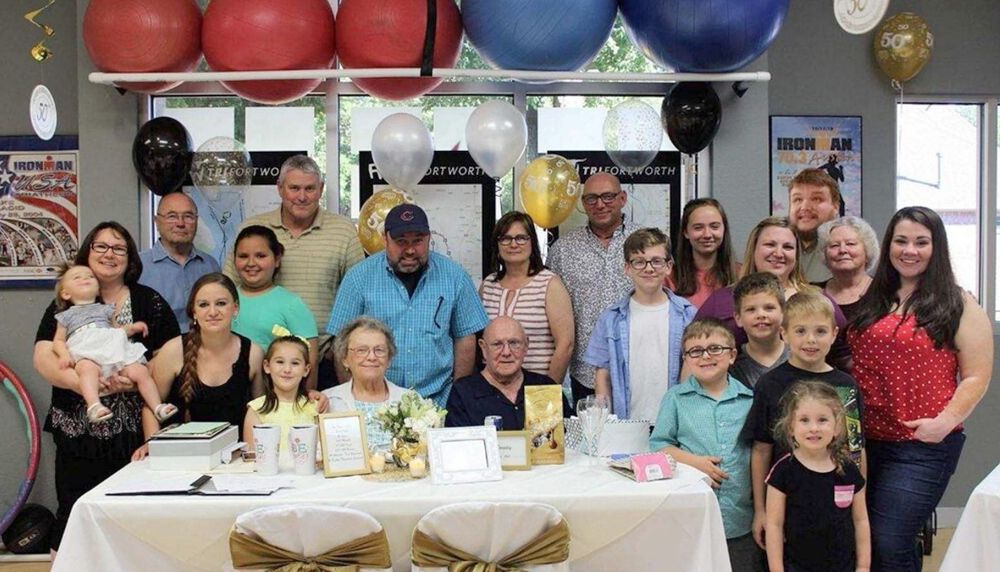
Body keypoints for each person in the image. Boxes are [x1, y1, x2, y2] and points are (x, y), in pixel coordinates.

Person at [848, 206, 993, 572]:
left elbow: (976, 376)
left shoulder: (958, 303)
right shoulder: (874, 298)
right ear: (888, 246)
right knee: (866, 540)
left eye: (921, 242)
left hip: (920, 447)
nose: (909, 250)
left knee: (889, 539)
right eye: (901, 241)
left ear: (936, 247)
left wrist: (945, 422)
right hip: (864, 443)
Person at [32, 221, 180, 553]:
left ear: (130, 258)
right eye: (101, 246)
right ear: (87, 252)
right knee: (75, 515)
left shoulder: (149, 301)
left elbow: (171, 355)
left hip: (135, 436)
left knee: (135, 525)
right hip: (79, 434)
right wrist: (92, 386)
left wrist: (137, 380)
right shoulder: (66, 305)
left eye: (119, 248)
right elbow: (44, 357)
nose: (109, 254)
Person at [326, 204, 488, 406]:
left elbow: (465, 338)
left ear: (429, 238)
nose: (410, 250)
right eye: (401, 241)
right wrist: (355, 401)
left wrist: (457, 398)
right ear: (385, 239)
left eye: (418, 241)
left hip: (438, 401)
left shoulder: (455, 277)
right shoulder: (358, 278)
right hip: (375, 405)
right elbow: (342, 343)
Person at [742, 290, 866, 553]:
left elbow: (856, 448)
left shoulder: (846, 386)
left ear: (834, 334)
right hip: (786, 502)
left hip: (836, 502)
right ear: (784, 334)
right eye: (800, 331)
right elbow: (761, 449)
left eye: (820, 331)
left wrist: (860, 501)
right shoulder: (770, 384)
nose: (811, 340)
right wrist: (761, 510)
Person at [650, 318, 760, 572]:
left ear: (732, 355)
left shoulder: (749, 399)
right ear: (686, 359)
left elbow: (760, 452)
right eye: (695, 351)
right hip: (691, 514)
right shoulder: (675, 398)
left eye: (715, 348)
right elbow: (659, 446)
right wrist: (695, 463)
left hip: (740, 517)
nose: (705, 356)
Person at [225, 155, 364, 343]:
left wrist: (340, 347)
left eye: (310, 188)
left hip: (324, 349)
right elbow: (226, 289)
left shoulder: (343, 230)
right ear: (280, 188)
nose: (302, 197)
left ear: (321, 189)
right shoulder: (252, 228)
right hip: (258, 346)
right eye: (294, 188)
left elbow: (359, 294)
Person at [697, 216, 851, 370]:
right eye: (770, 245)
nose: (778, 253)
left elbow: (844, 356)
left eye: (788, 247)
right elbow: (694, 349)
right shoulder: (722, 300)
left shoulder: (816, 299)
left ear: (796, 255)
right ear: (754, 249)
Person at [546, 172, 642, 404]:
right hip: (585, 374)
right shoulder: (563, 250)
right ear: (583, 203)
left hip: (639, 368)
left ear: (622, 198)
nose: (600, 204)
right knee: (592, 428)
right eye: (591, 198)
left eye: (608, 196)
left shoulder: (646, 242)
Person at [585, 228, 696, 421]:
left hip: (675, 422)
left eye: (656, 261)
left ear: (669, 266)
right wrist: (603, 422)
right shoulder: (610, 319)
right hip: (627, 422)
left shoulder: (688, 315)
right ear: (627, 268)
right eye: (639, 262)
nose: (649, 268)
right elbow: (603, 375)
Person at [765, 381, 871, 572]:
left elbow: (861, 520)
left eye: (822, 420)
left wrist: (863, 566)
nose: (814, 428)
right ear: (790, 427)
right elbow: (774, 525)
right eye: (804, 420)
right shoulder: (783, 471)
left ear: (837, 427)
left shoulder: (848, 469)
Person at [52, 265, 175, 424]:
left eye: (90, 276)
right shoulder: (65, 316)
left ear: (98, 290)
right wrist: (64, 355)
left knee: (140, 371)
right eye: (77, 277)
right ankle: (94, 406)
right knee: (87, 370)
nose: (85, 278)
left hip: (114, 352)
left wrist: (132, 328)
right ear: (66, 293)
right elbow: (58, 340)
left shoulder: (106, 310)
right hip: (87, 354)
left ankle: (157, 406)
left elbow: (116, 331)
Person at [480, 211, 574, 384]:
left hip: (536, 389)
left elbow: (565, 345)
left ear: (532, 242)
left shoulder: (550, 284)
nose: (513, 244)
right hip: (490, 390)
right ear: (497, 244)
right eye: (505, 238)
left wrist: (546, 391)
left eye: (521, 238)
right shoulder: (487, 286)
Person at [230, 225, 319, 389]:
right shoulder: (224, 300)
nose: (251, 263)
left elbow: (310, 364)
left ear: (277, 259)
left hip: (277, 398)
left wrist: (306, 400)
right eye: (243, 256)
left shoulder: (292, 304)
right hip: (229, 394)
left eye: (260, 256)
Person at [447, 317, 569, 430]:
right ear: (483, 348)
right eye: (497, 344)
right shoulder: (464, 393)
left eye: (514, 343)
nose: (506, 352)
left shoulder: (545, 387)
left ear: (526, 346)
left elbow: (570, 438)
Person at [139, 191, 220, 332]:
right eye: (172, 216)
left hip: (205, 344)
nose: (180, 223)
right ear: (156, 222)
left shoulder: (210, 265)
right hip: (156, 345)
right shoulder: (138, 266)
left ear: (196, 221)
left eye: (188, 216)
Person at [323, 317, 407, 452]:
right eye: (361, 350)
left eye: (379, 350)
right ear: (344, 359)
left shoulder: (409, 400)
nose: (372, 357)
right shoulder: (327, 401)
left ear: (389, 359)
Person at [244, 336, 318, 453]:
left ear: (306, 370)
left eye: (295, 363)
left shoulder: (315, 407)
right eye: (280, 362)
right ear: (267, 366)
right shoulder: (256, 409)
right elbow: (251, 455)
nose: (287, 369)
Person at [670, 198, 741, 308]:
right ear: (686, 232)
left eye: (714, 227)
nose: (707, 234)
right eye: (698, 228)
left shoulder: (742, 274)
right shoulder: (669, 278)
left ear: (724, 229)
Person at [730, 272, 789, 389]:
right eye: (751, 309)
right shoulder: (732, 365)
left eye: (769, 308)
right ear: (738, 318)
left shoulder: (800, 355)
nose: (761, 315)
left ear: (783, 313)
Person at [816, 216, 880, 322]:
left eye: (850, 244)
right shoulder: (814, 293)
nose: (842, 250)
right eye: (834, 245)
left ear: (867, 251)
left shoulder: (884, 292)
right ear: (825, 254)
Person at [787, 169, 842, 283]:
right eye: (798, 199)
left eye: (816, 199)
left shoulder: (847, 252)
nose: (805, 207)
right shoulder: (774, 249)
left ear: (835, 207)